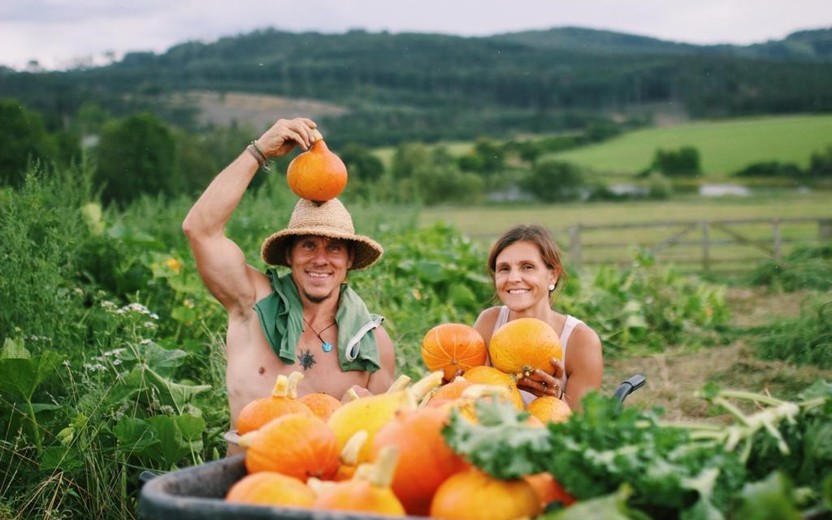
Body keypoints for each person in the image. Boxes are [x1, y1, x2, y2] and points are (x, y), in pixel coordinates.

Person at [182, 117, 396, 442]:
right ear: (289, 255)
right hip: (248, 485)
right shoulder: (250, 302)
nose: (320, 259)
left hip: (324, 489)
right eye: (308, 245)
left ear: (350, 259)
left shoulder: (373, 343)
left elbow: (384, 441)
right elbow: (200, 229)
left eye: (334, 248)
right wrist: (258, 153)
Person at [473, 224, 602, 411]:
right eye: (504, 269)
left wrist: (556, 398)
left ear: (552, 276)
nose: (514, 277)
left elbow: (582, 428)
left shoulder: (581, 340)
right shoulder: (489, 322)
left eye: (527, 267)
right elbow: (469, 395)